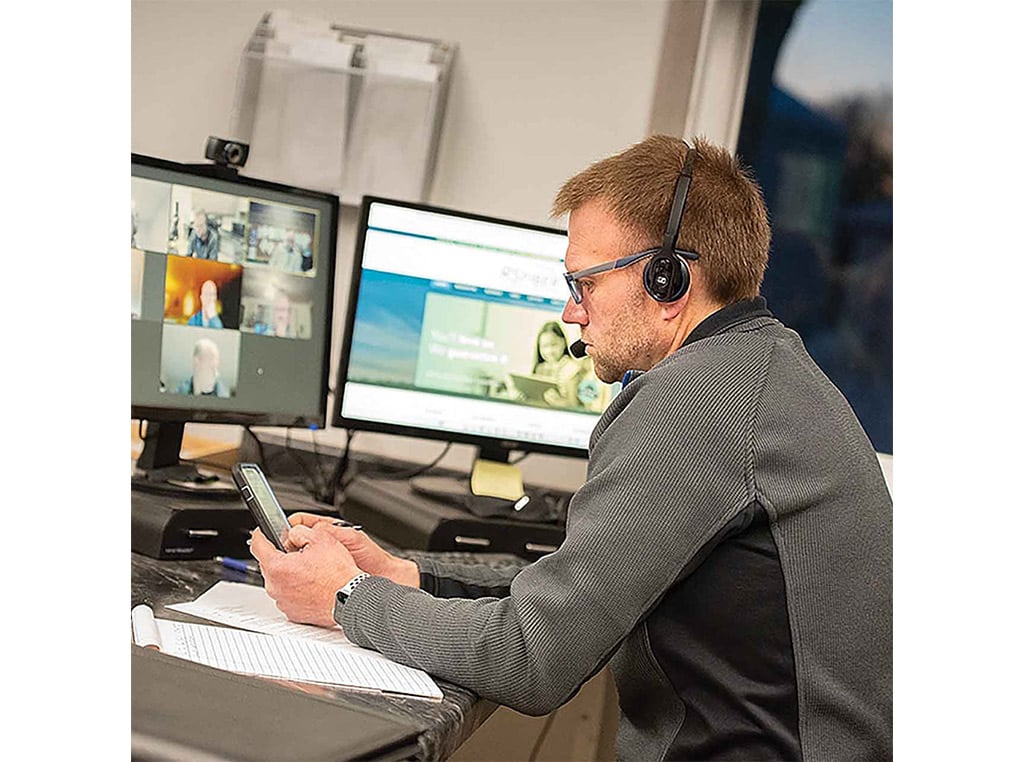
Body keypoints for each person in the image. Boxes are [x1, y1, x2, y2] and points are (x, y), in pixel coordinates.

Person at [250, 135, 892, 760]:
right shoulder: (759, 371)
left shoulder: (699, 403)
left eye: (583, 284)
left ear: (668, 282)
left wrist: (348, 597)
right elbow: (575, 589)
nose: (570, 313)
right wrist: (406, 578)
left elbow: (534, 657)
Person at [525, 320, 586, 408]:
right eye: (544, 346)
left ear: (563, 342)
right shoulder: (540, 368)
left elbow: (576, 406)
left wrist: (559, 403)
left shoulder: (573, 370)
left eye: (553, 345)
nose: (549, 351)